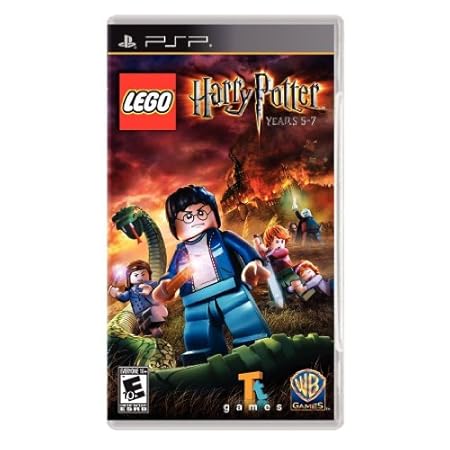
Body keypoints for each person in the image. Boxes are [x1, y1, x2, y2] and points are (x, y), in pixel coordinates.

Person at [152, 185, 271, 366]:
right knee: (199, 337)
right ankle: (204, 362)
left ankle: (256, 348)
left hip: (230, 291)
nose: (195, 219)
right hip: (195, 302)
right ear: (174, 225)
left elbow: (246, 251)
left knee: (245, 322)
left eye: (201, 213)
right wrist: (166, 285)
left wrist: (254, 264)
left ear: (214, 214)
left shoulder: (223, 237)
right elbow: (172, 274)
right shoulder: (181, 251)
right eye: (187, 216)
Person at [109, 260, 168, 337]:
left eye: (143, 274)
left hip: (150, 310)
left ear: (149, 274)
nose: (140, 277)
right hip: (139, 315)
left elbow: (158, 289)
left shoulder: (151, 284)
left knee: (154, 324)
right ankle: (151, 334)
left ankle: (156, 329)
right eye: (136, 275)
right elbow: (124, 298)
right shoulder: (130, 291)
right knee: (146, 328)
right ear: (129, 278)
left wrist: (150, 289)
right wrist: (116, 294)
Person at [253, 225, 304, 302]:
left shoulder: (284, 251)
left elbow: (273, 255)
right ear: (269, 243)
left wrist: (264, 250)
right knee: (276, 290)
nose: (280, 244)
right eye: (277, 242)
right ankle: (278, 302)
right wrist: (257, 245)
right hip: (276, 276)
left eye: (282, 241)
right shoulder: (268, 252)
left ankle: (307, 296)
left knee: (297, 285)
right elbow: (261, 256)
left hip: (288, 273)